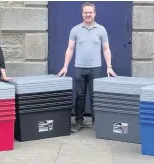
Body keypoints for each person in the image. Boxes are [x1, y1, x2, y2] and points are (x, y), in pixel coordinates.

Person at [57, 2, 117, 132]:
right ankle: (78, 121)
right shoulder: (75, 30)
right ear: (82, 14)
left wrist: (109, 67)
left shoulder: (101, 30)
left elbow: (106, 50)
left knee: (95, 95)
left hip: (95, 68)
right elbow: (70, 49)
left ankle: (96, 122)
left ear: (94, 13)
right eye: (86, 12)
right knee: (80, 96)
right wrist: (65, 66)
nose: (88, 15)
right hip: (79, 67)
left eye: (90, 12)